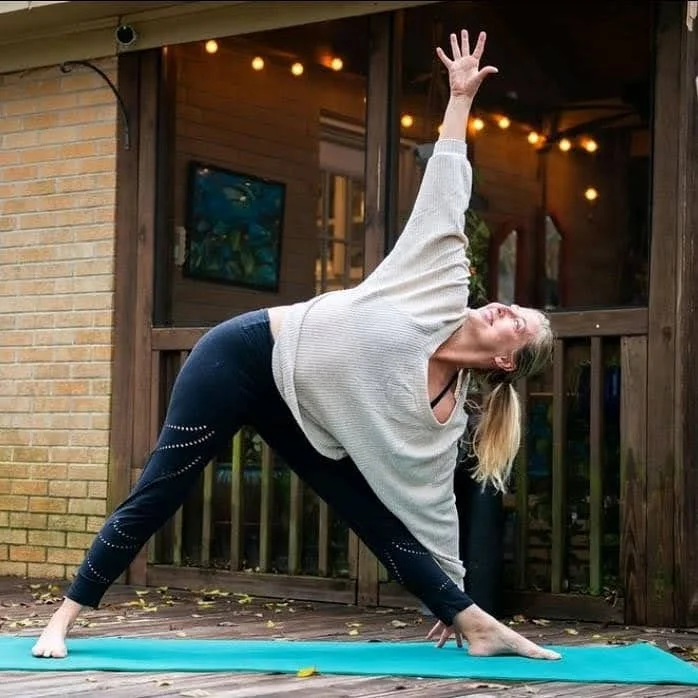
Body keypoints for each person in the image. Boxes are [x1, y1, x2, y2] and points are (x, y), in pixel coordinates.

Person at [32, 30, 558, 661]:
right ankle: (62, 619)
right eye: (514, 307)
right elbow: (446, 192)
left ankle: (477, 626)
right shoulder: (439, 282)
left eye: (517, 323)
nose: (505, 308)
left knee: (370, 510)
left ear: (505, 360)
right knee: (162, 487)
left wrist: (452, 593)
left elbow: (431, 502)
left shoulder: (442, 413)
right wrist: (460, 98)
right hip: (244, 357)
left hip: (305, 415)